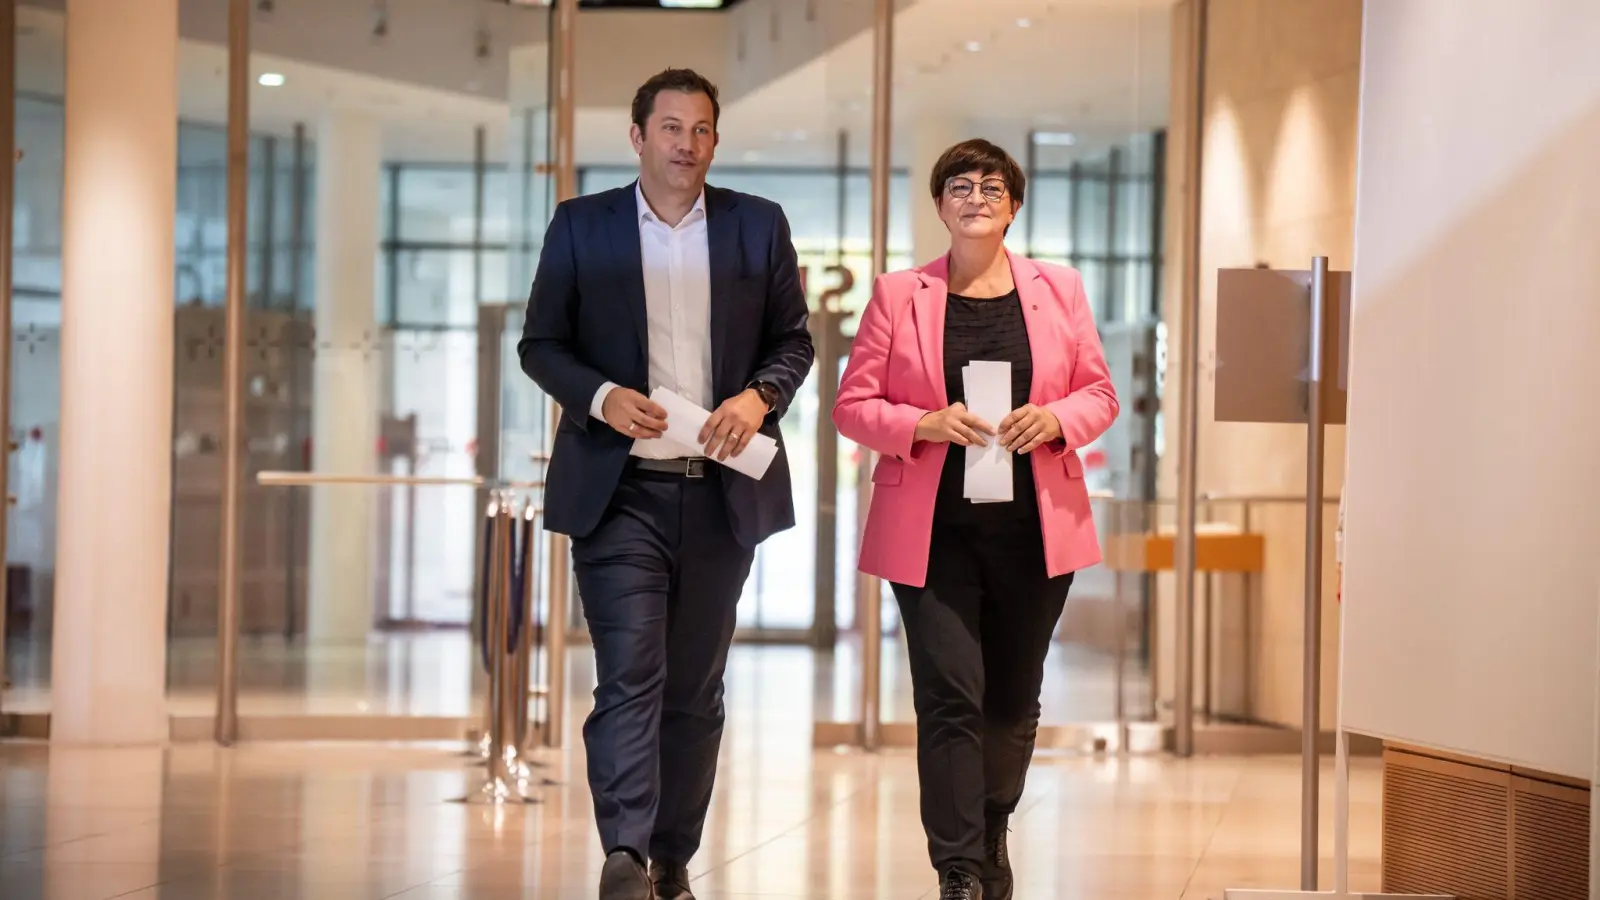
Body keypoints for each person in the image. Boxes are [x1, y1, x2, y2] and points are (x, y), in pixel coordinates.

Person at [518, 68, 814, 900]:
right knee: (629, 672)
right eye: (672, 127)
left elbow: (794, 341)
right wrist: (604, 398)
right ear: (639, 136)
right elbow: (541, 345)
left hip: (721, 495)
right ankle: (624, 853)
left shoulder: (758, 227)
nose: (687, 144)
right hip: (619, 496)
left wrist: (758, 398)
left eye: (702, 130)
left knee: (693, 688)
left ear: (715, 141)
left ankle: (671, 855)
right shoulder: (583, 226)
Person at [832, 138, 1118, 900]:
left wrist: (1053, 419)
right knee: (948, 694)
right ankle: (958, 866)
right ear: (939, 206)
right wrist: (921, 425)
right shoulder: (899, 295)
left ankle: (993, 825)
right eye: (959, 185)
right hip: (933, 535)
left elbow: (1100, 394)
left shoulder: (1059, 290)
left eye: (993, 186)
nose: (976, 196)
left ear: (1014, 206)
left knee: (1012, 697)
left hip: (1034, 529)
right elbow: (852, 406)